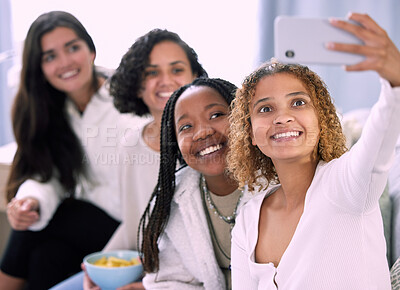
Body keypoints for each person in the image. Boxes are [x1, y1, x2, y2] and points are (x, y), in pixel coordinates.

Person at [227, 13, 400, 289]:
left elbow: (384, 129)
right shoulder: (249, 218)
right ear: (251, 135)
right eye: (265, 108)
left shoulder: (348, 184)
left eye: (298, 103)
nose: (282, 117)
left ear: (321, 120)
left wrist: (395, 79)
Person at [50, 29, 207, 290]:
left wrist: (148, 286)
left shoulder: (207, 146)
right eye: (151, 73)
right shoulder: (131, 144)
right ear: (137, 86)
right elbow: (133, 224)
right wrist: (98, 266)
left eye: (177, 69)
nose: (165, 80)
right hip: (140, 268)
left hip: (178, 280)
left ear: (195, 77)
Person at [0, 11, 143, 290]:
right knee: (45, 257)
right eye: (50, 56)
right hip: (87, 229)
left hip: (130, 231)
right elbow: (48, 175)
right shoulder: (55, 111)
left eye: (73, 48)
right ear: (38, 67)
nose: (65, 62)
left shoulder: (128, 104)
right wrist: (31, 203)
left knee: (63, 215)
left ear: (91, 50)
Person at [139, 77, 246, 290]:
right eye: (186, 126)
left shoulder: (279, 183)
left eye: (216, 115)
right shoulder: (175, 199)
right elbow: (170, 281)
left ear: (243, 118)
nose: (203, 132)